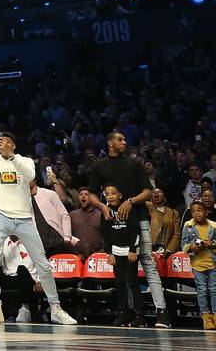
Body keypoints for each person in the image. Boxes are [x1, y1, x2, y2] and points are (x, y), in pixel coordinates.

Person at [0, 132, 77, 325]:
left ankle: (56, 309)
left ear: (13, 145)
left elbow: (31, 176)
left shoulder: (25, 161)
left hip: (24, 217)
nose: (3, 143)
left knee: (42, 263)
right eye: (0, 141)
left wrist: (12, 157)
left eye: (7, 141)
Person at [87, 131, 168, 327]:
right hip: (114, 223)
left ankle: (161, 310)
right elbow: (91, 194)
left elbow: (148, 192)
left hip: (139, 219)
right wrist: (103, 206)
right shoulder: (99, 166)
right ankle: (131, 312)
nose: (124, 142)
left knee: (147, 262)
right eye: (120, 139)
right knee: (124, 271)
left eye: (124, 139)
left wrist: (130, 201)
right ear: (109, 143)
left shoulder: (135, 164)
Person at [101, 184, 143, 327]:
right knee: (119, 283)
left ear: (120, 195)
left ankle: (138, 314)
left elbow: (136, 231)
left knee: (132, 282)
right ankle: (123, 312)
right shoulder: (106, 212)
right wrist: (109, 253)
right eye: (107, 194)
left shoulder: (129, 210)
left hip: (130, 251)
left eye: (114, 193)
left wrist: (133, 249)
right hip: (116, 252)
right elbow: (105, 235)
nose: (111, 196)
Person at [181, 201, 216, 330]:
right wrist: (193, 247)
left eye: (199, 210)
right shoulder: (188, 226)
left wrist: (212, 245)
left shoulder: (214, 226)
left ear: (205, 212)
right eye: (193, 211)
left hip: (212, 263)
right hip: (197, 264)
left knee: (213, 290)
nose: (196, 213)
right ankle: (206, 317)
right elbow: (184, 244)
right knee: (202, 290)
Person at [69, 187, 104, 259]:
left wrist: (100, 253)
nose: (83, 196)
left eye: (86, 194)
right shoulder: (72, 215)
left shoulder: (101, 215)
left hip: (98, 258)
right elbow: (68, 236)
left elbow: (107, 237)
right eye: (81, 194)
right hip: (77, 258)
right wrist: (76, 254)